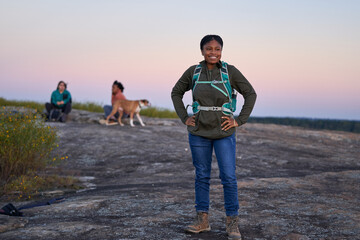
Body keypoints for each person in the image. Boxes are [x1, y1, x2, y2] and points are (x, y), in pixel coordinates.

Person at [171, 35, 256, 239]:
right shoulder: (194, 71)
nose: (213, 53)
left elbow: (250, 93)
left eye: (217, 49)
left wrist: (239, 120)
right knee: (202, 176)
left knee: (228, 177)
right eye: (209, 49)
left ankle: (232, 223)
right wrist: (185, 117)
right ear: (202, 51)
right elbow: (176, 92)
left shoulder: (230, 71)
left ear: (221, 51)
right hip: (199, 132)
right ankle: (202, 221)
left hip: (224, 132)